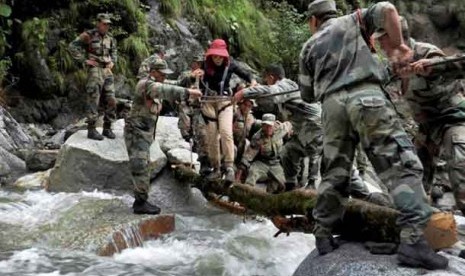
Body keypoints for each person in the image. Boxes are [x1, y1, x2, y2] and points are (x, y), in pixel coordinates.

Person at [299, 0, 447, 269]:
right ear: (332, 12)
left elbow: (307, 94)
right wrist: (401, 47)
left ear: (313, 21)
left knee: (335, 172)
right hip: (367, 99)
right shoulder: (354, 20)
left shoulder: (308, 46)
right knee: (400, 164)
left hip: (331, 108)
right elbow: (388, 9)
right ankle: (413, 241)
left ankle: (323, 235)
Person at [376, 18, 465, 216]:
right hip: (427, 128)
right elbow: (375, 80)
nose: (380, 46)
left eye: (383, 40)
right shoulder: (394, 66)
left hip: (454, 120)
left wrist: (435, 66)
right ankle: (425, 227)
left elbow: (460, 66)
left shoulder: (427, 52)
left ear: (396, 39)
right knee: (414, 176)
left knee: (461, 173)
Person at [124, 59, 202, 214]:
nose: (164, 77)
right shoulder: (146, 84)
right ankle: (140, 203)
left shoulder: (156, 82)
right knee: (140, 166)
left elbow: (175, 83)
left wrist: (191, 78)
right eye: (162, 74)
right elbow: (167, 90)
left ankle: (141, 199)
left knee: (144, 164)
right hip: (136, 132)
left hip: (144, 132)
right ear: (153, 72)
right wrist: (188, 92)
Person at [234, 64, 323, 191]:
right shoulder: (259, 135)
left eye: (267, 80)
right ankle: (291, 185)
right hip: (304, 126)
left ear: (271, 77)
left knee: (313, 152)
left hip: (313, 124)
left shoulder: (286, 85)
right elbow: (269, 97)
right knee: (289, 151)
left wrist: (244, 92)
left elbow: (272, 92)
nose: (267, 82)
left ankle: (312, 184)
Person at [200, 39, 257, 182]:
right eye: (214, 56)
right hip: (208, 102)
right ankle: (216, 168)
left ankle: (230, 167)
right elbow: (198, 81)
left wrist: (253, 82)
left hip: (225, 101)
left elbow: (247, 75)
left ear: (224, 56)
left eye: (219, 56)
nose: (217, 58)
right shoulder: (205, 64)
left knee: (226, 132)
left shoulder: (231, 64)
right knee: (212, 136)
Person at [69, 13, 118, 141]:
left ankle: (107, 127)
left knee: (111, 99)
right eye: (104, 23)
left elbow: (114, 51)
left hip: (107, 69)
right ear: (98, 23)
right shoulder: (89, 35)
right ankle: (91, 129)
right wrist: (84, 60)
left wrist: (113, 61)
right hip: (95, 69)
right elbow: (73, 46)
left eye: (108, 24)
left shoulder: (110, 37)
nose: (106, 26)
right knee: (93, 98)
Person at [237, 114, 292, 193]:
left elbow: (289, 124)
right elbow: (247, 157)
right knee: (252, 173)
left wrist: (290, 132)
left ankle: (270, 196)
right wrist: (238, 177)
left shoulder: (281, 128)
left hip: (276, 163)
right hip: (262, 162)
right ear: (262, 126)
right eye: (265, 126)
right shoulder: (257, 138)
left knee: (283, 184)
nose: (268, 128)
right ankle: (245, 194)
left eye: (270, 126)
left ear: (274, 125)